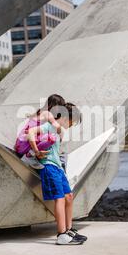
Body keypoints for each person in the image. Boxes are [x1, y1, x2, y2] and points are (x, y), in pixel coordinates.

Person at [27, 103, 87, 245]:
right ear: (66, 117)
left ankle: (69, 229)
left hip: (58, 168)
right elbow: (30, 133)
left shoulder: (58, 130)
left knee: (69, 196)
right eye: (73, 121)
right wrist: (37, 151)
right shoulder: (49, 126)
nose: (73, 125)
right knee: (59, 198)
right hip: (49, 167)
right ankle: (61, 235)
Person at [15, 94, 65, 169]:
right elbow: (56, 125)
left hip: (19, 144)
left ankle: (31, 154)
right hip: (26, 145)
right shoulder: (47, 113)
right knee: (52, 137)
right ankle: (30, 156)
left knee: (45, 133)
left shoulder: (39, 112)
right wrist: (60, 133)